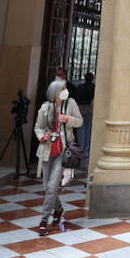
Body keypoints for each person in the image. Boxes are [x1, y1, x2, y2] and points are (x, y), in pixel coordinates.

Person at [34, 78, 83, 233]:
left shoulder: (71, 104)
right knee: (47, 187)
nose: (65, 91)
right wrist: (42, 136)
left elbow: (80, 121)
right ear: (54, 92)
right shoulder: (45, 107)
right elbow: (38, 127)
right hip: (47, 151)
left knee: (52, 187)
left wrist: (68, 119)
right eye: (62, 89)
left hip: (63, 152)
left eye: (65, 88)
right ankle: (59, 209)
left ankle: (43, 220)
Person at [74, 72, 96, 157]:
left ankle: (81, 148)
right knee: (88, 130)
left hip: (80, 109)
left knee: (80, 129)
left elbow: (76, 98)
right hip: (89, 109)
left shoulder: (80, 87)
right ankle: (86, 149)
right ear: (92, 79)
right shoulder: (94, 87)